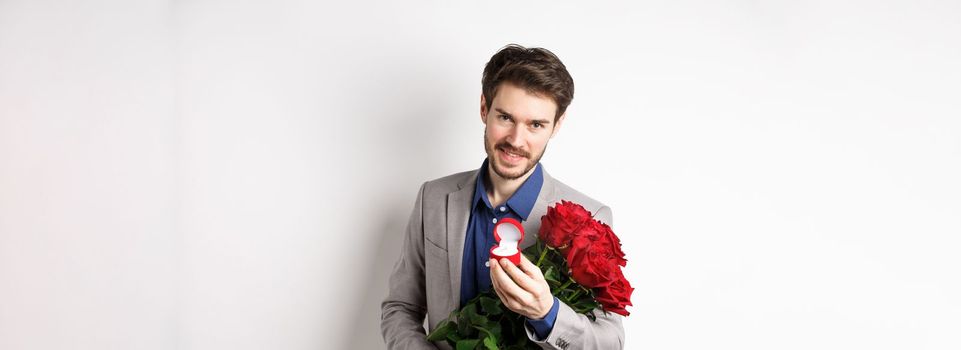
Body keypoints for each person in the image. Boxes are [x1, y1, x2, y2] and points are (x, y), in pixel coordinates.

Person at [381, 44, 624, 350]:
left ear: (557, 125)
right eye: (506, 118)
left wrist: (547, 314)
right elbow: (400, 307)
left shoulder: (591, 218)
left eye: (536, 125)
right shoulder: (433, 197)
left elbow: (610, 343)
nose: (516, 141)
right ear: (484, 108)